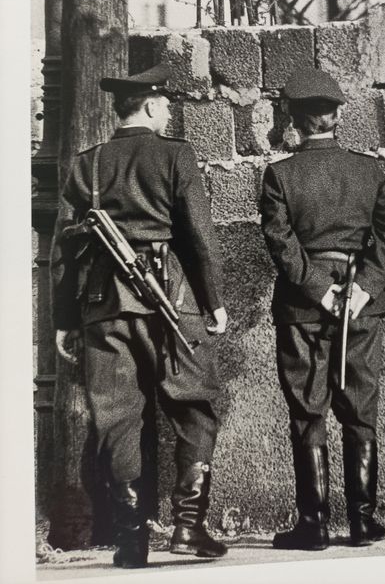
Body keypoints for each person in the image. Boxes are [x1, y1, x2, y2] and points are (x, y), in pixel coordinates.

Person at [51, 62, 228, 569]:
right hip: (170, 298)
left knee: (116, 418)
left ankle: (132, 542)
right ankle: (188, 529)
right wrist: (213, 300)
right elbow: (198, 235)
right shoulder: (174, 154)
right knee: (193, 407)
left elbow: (64, 250)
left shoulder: (87, 164)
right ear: (150, 107)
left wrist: (64, 318)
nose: (168, 112)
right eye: (166, 104)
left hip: (104, 307)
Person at [260, 67, 385, 551]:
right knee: (360, 410)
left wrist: (320, 290)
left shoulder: (280, 175)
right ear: (338, 114)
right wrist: (363, 288)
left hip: (304, 307)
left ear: (294, 119)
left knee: (308, 411)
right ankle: (363, 522)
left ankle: (314, 525)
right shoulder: (370, 170)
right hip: (362, 306)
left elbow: (280, 243)